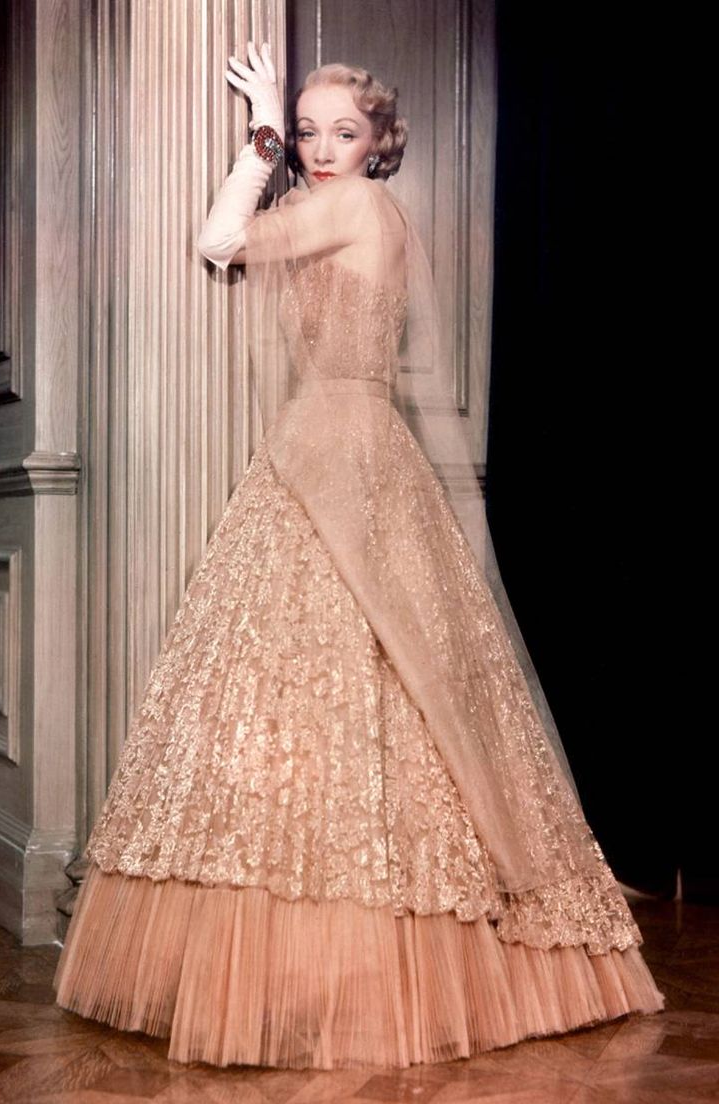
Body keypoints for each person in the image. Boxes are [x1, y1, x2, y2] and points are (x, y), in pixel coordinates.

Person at [53, 42, 665, 1071]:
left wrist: (254, 147)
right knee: (351, 687)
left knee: (346, 683)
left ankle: (345, 973)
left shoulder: (352, 207)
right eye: (307, 131)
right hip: (346, 451)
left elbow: (219, 241)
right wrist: (267, 135)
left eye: (345, 131)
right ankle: (331, 964)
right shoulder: (374, 214)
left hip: (336, 449)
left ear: (380, 145)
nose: (323, 148)